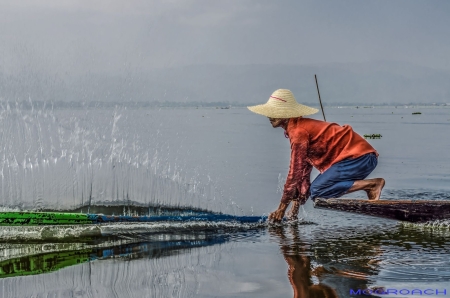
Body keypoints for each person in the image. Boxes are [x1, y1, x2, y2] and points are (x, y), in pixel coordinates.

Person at [247, 89, 385, 222]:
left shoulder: (298, 133)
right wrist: (294, 210)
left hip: (359, 158)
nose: (269, 116)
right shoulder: (296, 130)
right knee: (315, 190)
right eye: (269, 112)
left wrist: (281, 209)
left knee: (317, 190)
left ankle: (372, 185)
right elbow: (302, 174)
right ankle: (370, 186)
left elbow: (293, 175)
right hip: (359, 159)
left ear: (286, 114)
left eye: (274, 112)